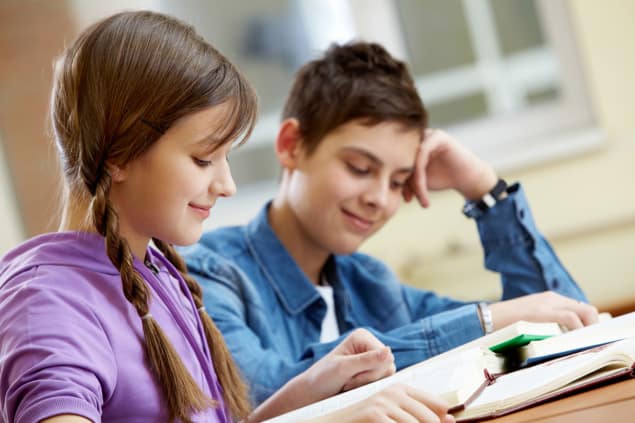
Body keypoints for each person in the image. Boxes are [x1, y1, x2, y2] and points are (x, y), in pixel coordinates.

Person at [0, 11, 455, 423]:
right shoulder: (47, 304)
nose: (226, 184)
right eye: (203, 159)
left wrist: (316, 390)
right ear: (119, 153)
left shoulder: (156, 272)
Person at [182, 41, 600, 406]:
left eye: (399, 181)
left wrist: (484, 191)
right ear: (292, 145)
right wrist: (486, 322)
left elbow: (568, 325)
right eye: (360, 167)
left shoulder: (372, 283)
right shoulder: (210, 272)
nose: (380, 199)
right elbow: (259, 394)